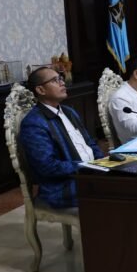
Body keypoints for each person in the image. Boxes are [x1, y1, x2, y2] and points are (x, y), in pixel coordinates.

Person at [19, 67, 104, 208]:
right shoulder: (34, 123)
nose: (62, 83)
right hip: (63, 186)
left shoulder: (69, 112)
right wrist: (86, 167)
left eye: (61, 78)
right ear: (40, 90)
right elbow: (47, 166)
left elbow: (90, 143)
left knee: (131, 179)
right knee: (119, 191)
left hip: (89, 173)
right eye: (55, 80)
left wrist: (102, 163)